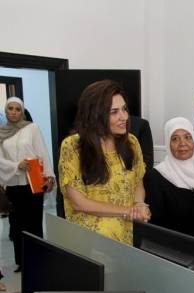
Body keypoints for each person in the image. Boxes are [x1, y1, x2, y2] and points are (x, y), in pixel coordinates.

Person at [58, 80, 150, 245]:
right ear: (94, 115)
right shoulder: (72, 146)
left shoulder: (131, 142)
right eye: (114, 112)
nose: (124, 117)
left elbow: (137, 183)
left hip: (125, 235)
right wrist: (127, 210)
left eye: (124, 109)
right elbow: (78, 203)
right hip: (90, 241)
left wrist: (139, 204)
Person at [0, 97, 55, 276]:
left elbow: (42, 153)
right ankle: (22, 262)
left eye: (18, 109)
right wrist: (17, 165)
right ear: (6, 111)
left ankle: (37, 260)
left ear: (22, 112)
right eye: (10, 108)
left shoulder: (32, 128)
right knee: (17, 225)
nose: (14, 112)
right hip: (13, 185)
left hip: (34, 183)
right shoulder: (1, 133)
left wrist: (50, 176)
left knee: (34, 224)